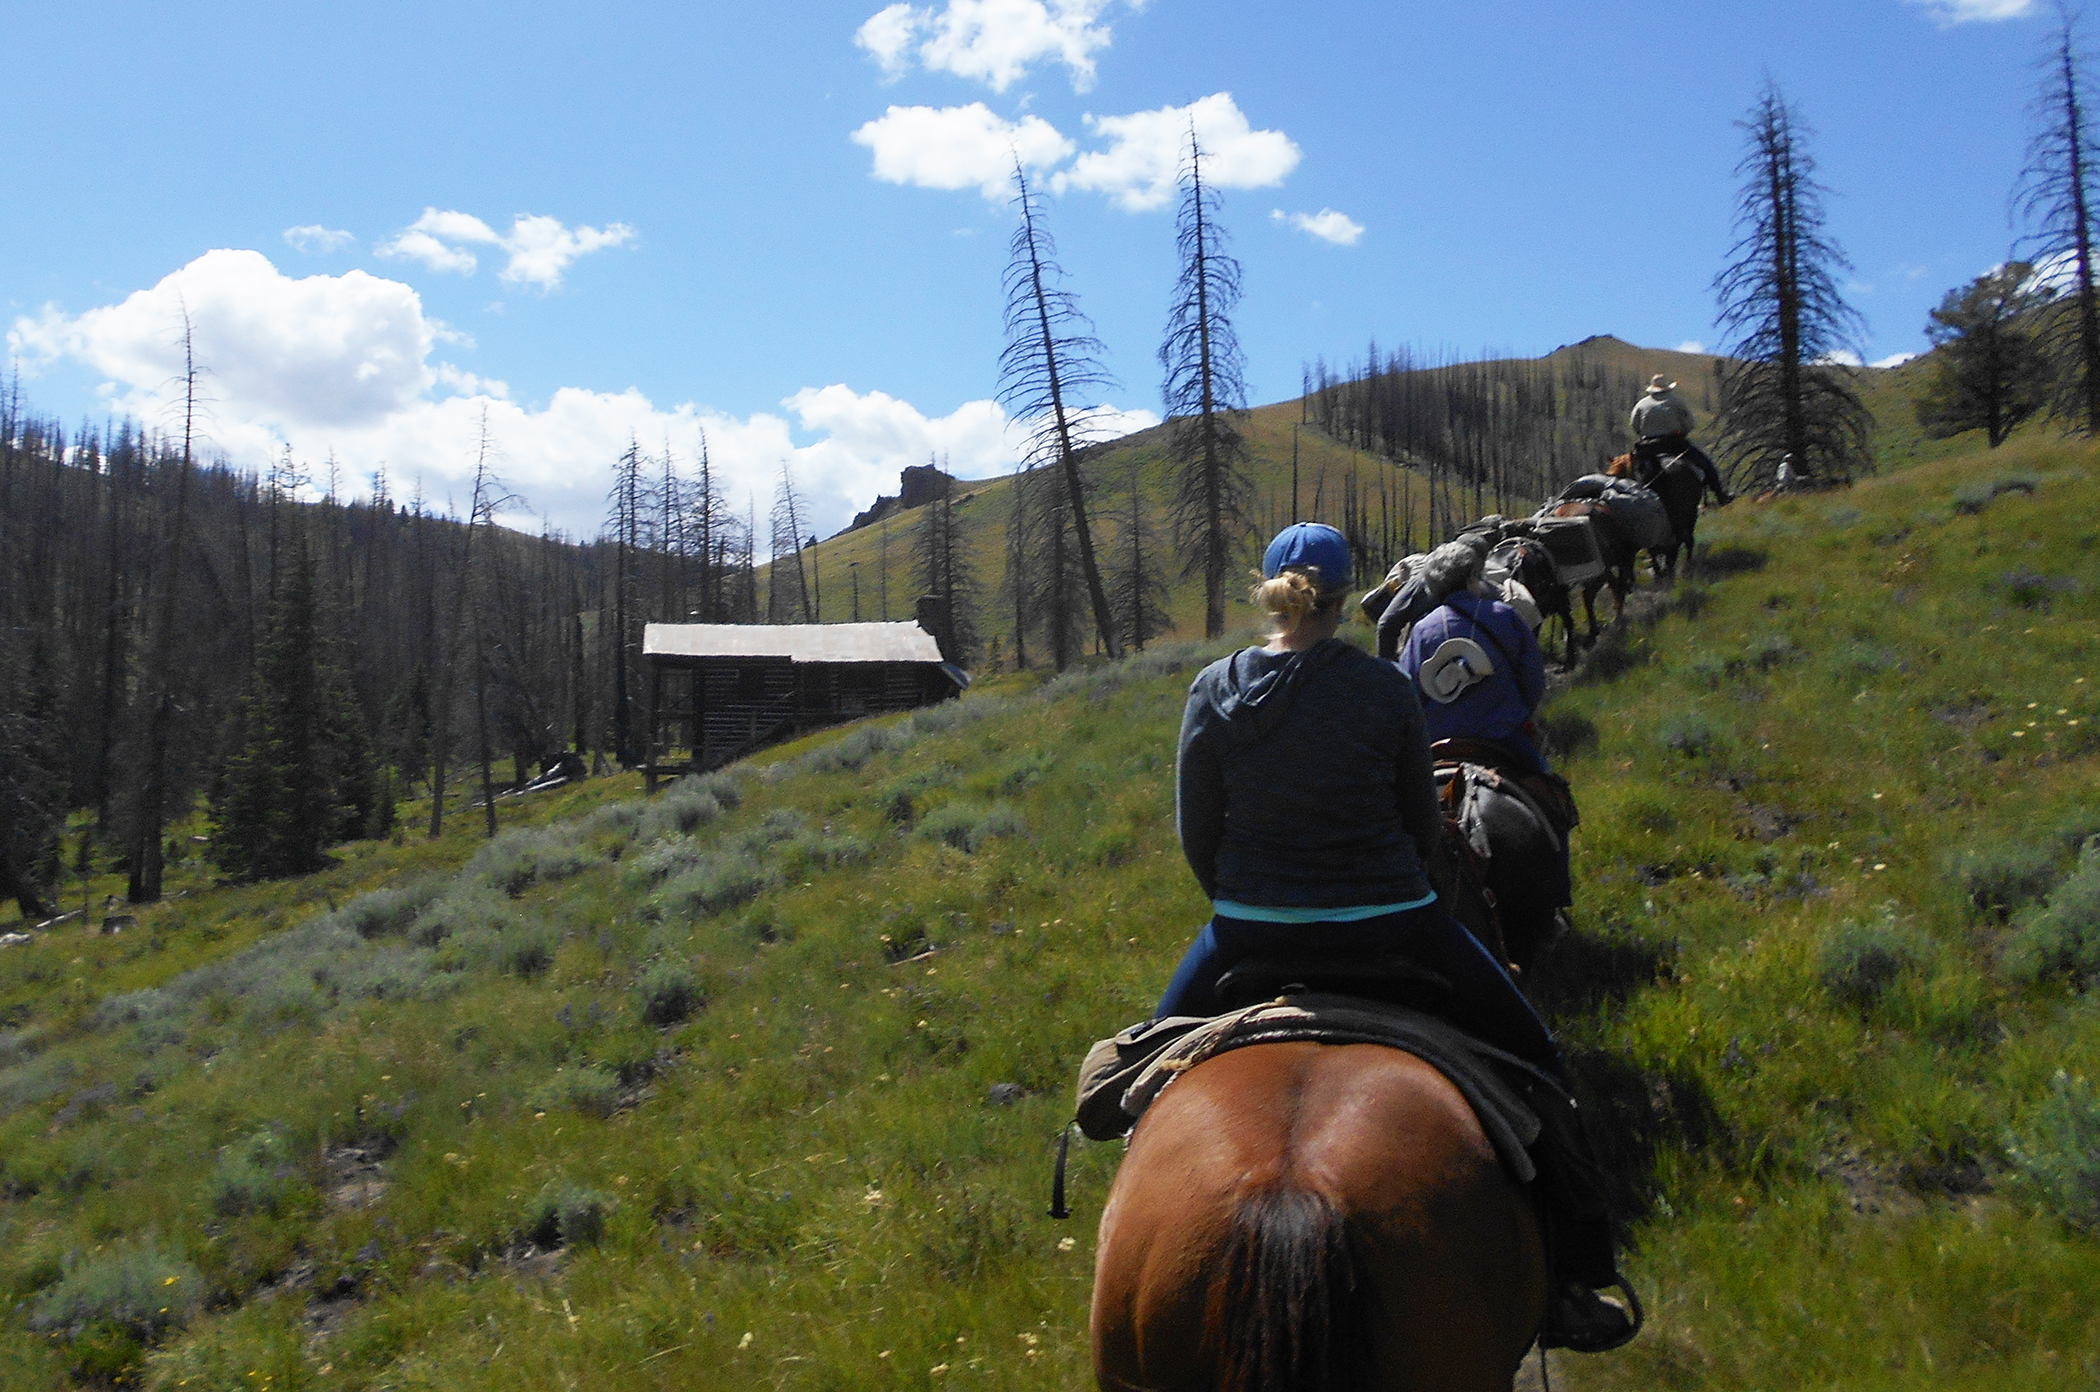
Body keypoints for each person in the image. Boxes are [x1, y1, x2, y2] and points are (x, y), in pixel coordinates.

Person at [1157, 521, 1636, 1352]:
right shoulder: (1384, 690)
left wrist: (1243, 907)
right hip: (1394, 925)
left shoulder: (1213, 689)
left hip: (1247, 932)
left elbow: (1198, 833)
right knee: (1540, 1061)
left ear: (1268, 592)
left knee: (1144, 1071)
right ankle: (1573, 1277)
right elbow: (1423, 826)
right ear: (1346, 599)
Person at [1630, 373, 1733, 505]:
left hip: (1648, 447)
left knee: (1630, 469)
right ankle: (1720, 494)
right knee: (1706, 464)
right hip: (1674, 444)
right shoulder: (1677, 401)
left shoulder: (1641, 404)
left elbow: (1634, 425)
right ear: (1668, 388)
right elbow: (1689, 424)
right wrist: (1682, 432)